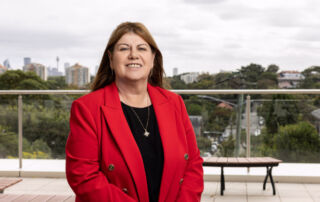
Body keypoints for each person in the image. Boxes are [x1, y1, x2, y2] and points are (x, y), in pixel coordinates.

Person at [65, 22, 204, 202]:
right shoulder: (87, 108)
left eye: (142, 48)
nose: (133, 55)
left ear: (153, 58)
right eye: (124, 49)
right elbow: (84, 177)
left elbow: (192, 163)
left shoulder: (174, 103)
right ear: (111, 58)